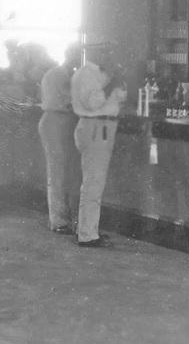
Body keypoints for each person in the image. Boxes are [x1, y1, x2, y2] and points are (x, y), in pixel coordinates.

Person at [71, 36, 126, 248]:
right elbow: (94, 102)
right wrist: (112, 83)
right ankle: (86, 235)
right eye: (106, 51)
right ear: (94, 52)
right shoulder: (86, 74)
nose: (109, 55)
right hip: (95, 127)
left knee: (95, 181)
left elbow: (120, 97)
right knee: (93, 182)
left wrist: (115, 83)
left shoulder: (102, 73)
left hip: (103, 127)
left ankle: (89, 229)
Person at [37, 43, 83, 235]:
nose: (77, 60)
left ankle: (66, 218)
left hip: (64, 123)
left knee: (66, 172)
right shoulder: (58, 75)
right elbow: (69, 101)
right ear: (68, 55)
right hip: (55, 122)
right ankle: (58, 221)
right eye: (75, 55)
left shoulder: (65, 74)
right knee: (57, 172)